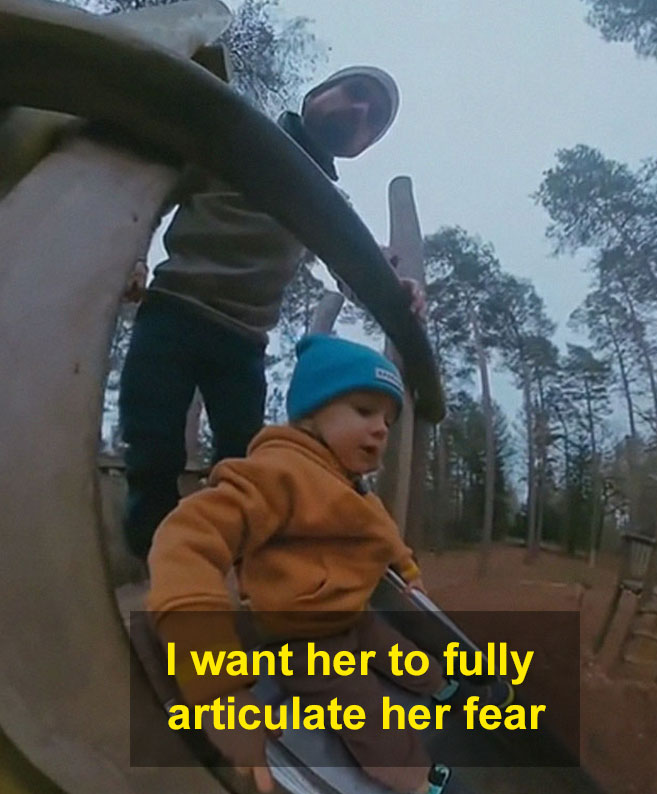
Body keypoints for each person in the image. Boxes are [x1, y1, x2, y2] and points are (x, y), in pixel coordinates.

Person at [119, 65, 424, 560]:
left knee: (242, 463)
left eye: (374, 119)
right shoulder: (231, 136)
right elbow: (153, 196)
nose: (361, 112)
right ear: (316, 94)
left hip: (242, 344)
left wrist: (395, 288)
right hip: (173, 311)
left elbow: (355, 265)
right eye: (356, 93)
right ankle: (152, 562)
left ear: (363, 147)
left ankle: (223, 569)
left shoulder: (325, 202)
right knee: (152, 448)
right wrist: (130, 257)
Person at [147, 334, 455, 794]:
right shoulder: (276, 474)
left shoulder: (352, 488)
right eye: (364, 411)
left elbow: (385, 535)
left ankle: (446, 689)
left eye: (388, 421)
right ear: (312, 413)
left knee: (403, 656)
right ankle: (416, 781)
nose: (381, 430)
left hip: (351, 616)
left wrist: (408, 574)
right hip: (301, 638)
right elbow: (186, 542)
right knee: (366, 711)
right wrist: (217, 689)